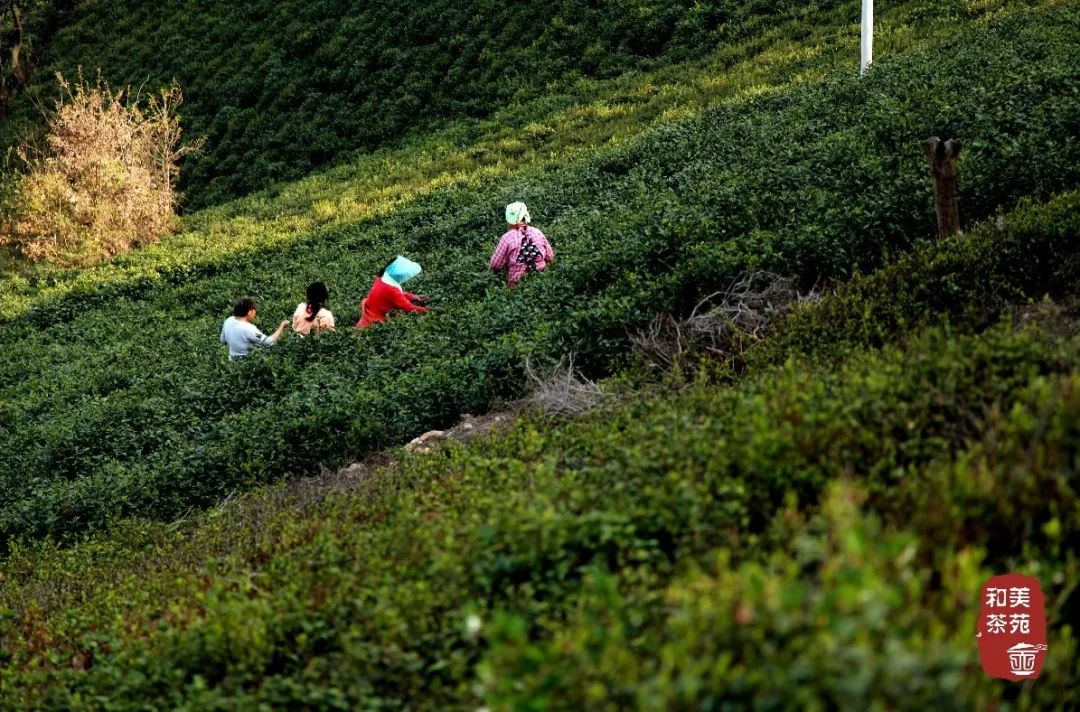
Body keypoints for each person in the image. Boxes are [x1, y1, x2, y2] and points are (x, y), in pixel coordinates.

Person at [489, 201, 554, 287]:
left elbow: (495, 265)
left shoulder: (507, 238)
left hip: (517, 285)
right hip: (542, 281)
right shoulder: (537, 232)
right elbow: (550, 257)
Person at [356, 255, 430, 328]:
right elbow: (408, 307)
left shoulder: (381, 277)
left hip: (371, 309)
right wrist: (427, 310)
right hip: (375, 319)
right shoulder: (391, 289)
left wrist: (413, 297)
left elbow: (395, 295)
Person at [220, 298, 289, 359]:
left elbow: (222, 340)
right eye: (254, 310)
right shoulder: (248, 328)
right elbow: (269, 342)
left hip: (231, 362)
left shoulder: (229, 320)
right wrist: (281, 327)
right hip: (246, 363)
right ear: (250, 312)